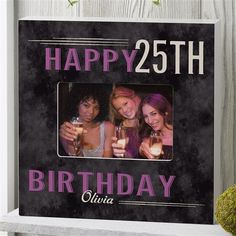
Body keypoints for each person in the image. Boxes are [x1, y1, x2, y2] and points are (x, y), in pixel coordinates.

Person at [59, 85, 114, 157]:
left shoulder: (107, 127)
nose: (91, 111)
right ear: (76, 104)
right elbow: (75, 160)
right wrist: (72, 143)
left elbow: (108, 162)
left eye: (96, 107)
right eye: (86, 105)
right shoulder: (67, 130)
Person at [109, 86, 141, 158]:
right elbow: (129, 158)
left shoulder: (150, 121)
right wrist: (121, 153)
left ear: (134, 98)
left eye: (125, 103)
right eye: (119, 108)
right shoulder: (119, 130)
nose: (124, 110)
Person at [139, 93, 173, 160]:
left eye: (153, 114)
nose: (150, 121)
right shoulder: (150, 137)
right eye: (146, 116)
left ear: (165, 112)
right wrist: (141, 151)